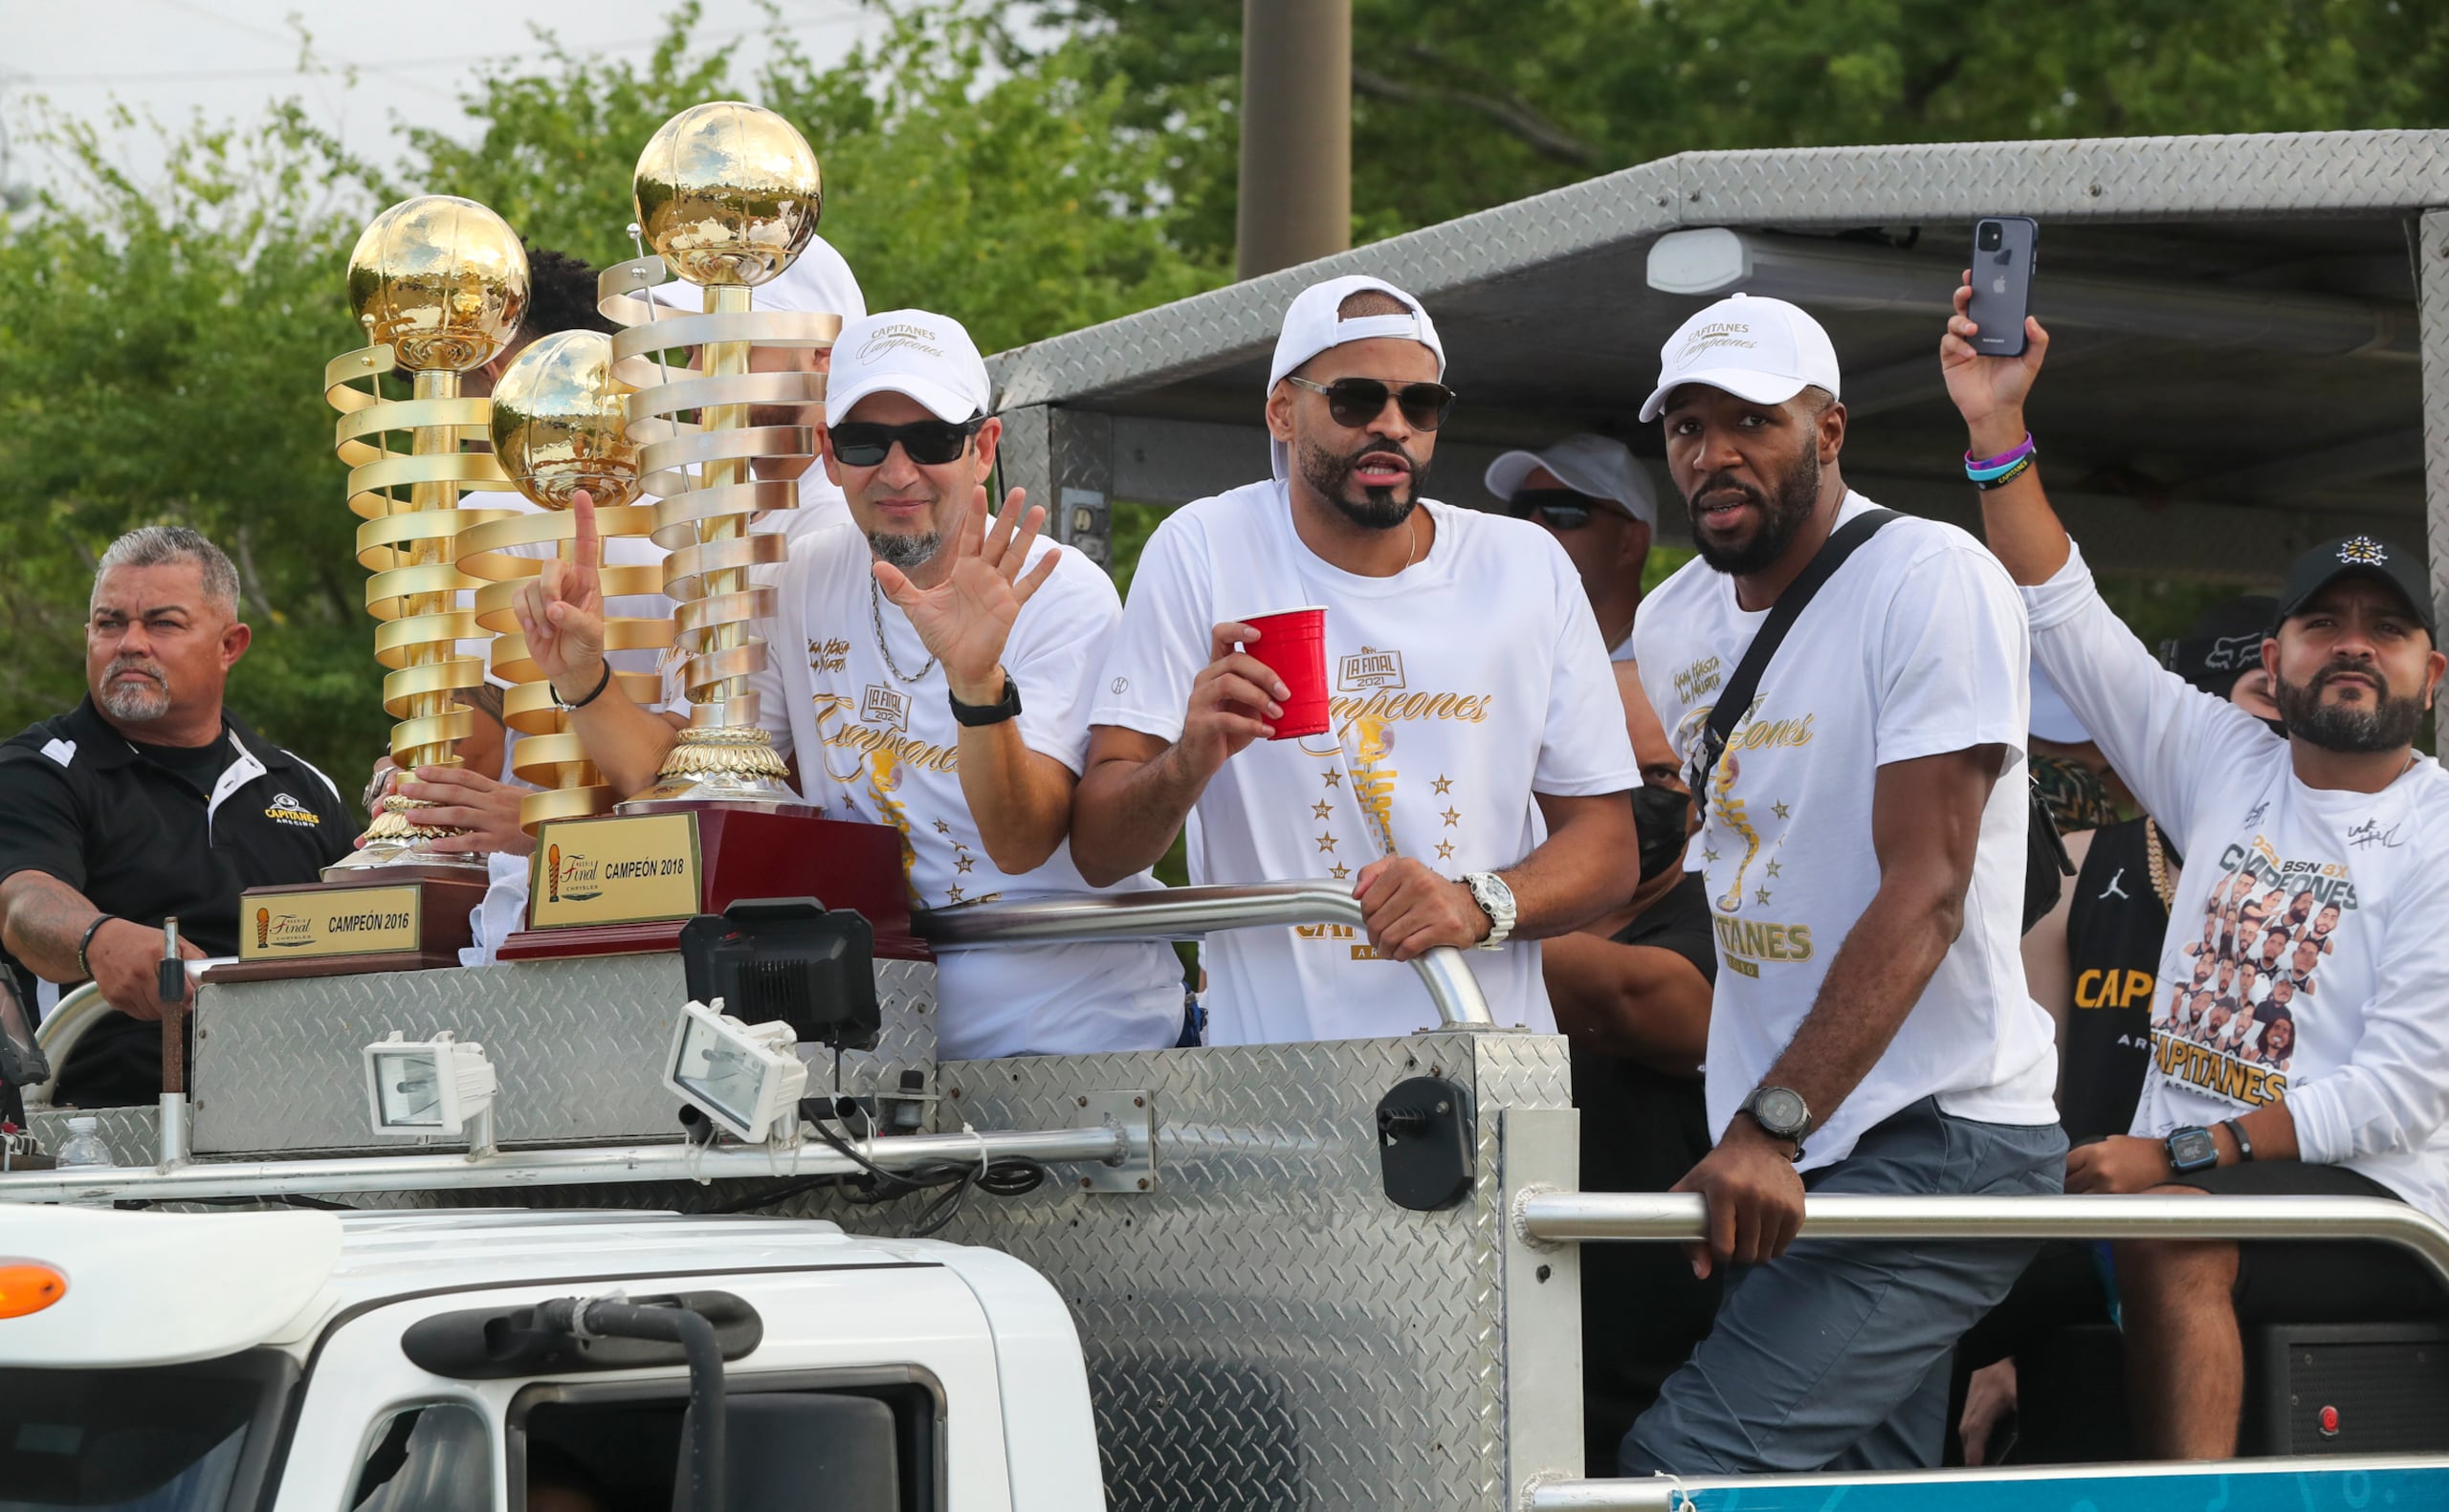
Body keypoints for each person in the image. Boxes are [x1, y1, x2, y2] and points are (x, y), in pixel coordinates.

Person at [1947, 269, 2449, 1460]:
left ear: (2434, 675)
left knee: (2170, 1231)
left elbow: (2400, 1094)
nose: (2353, 649)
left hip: (2380, 1214)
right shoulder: (2224, 760)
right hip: (2172, 1186)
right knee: (1910, 1260)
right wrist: (1994, 426)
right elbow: (2063, 609)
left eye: (2386, 631)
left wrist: (2183, 1152)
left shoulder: (2440, 833)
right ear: (2272, 661)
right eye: (2324, 624)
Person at [1622, 292, 2063, 1475]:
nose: (1713, 454)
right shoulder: (1671, 623)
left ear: (1828, 429)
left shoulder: (1930, 577)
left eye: (1752, 422)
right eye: (1686, 426)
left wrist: (1772, 1122)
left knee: (1684, 1471)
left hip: (1939, 1134)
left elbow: (1925, 889)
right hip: (1812, 1141)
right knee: (1855, 1494)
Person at [518, 309, 1183, 1059]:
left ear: (983, 447)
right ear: (828, 455)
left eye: (932, 439)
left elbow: (1023, 841)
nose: (898, 472)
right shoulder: (801, 572)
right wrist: (584, 680)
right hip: (874, 1038)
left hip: (1067, 1036)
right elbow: (689, 772)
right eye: (868, 443)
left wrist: (975, 682)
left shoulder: (1064, 592)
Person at [1070, 275, 1639, 1042]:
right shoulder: (1207, 546)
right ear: (1281, 410)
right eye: (1356, 400)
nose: (1393, 426)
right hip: (1274, 1082)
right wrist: (1189, 760)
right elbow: (1102, 852)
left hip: (1486, 1074)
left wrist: (1477, 902)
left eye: (1421, 405)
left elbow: (1607, 848)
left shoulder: (1524, 563)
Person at [0, 527, 352, 1105]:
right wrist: (98, 939)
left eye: (162, 623)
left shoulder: (305, 787)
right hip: (101, 1139)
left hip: (308, 1114)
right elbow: (23, 904)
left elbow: (377, 938)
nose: (130, 643)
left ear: (230, 645)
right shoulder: (38, 769)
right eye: (110, 623)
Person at [1539, 667, 1720, 1471]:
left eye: (1663, 774)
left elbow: (1648, 1004)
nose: (1644, 794)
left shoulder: (1723, 913)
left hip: (1661, 1386)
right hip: (1506, 1359)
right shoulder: (1502, 896)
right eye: (1612, 765)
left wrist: (1465, 922)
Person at [1484, 433, 1658, 664]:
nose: (1532, 526)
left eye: (1561, 511)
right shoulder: (1496, 662)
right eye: (1522, 509)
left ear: (1631, 542)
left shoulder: (1676, 675)